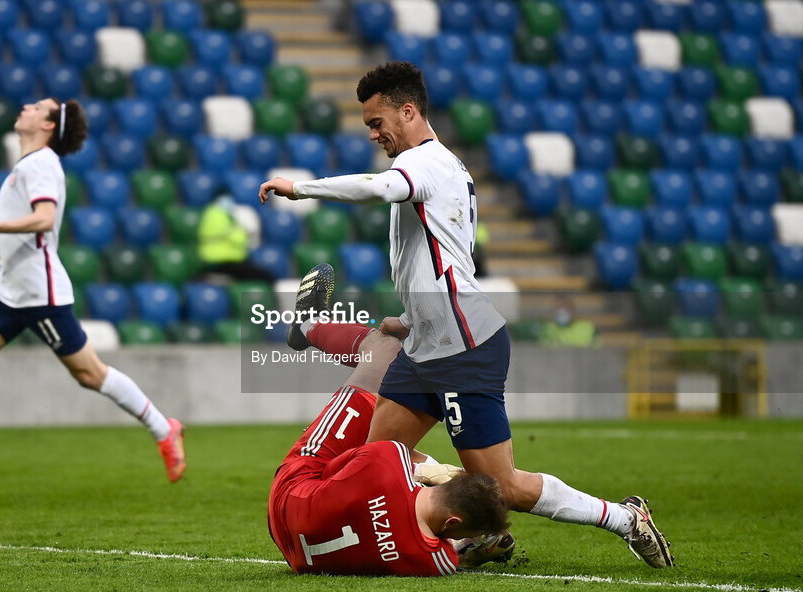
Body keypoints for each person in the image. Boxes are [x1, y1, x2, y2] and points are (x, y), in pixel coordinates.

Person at [260, 63, 673, 569]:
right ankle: (468, 533)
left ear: (408, 110)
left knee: (506, 488)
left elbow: (378, 189)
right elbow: (442, 260)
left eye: (377, 122)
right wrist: (413, 318)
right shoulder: (435, 169)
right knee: (370, 464)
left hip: (463, 348)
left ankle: (624, 518)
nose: (373, 134)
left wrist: (300, 189)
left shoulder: (427, 164)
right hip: (429, 343)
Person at [0, 98, 186, 498]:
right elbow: (38, 228)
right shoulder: (30, 164)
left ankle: (163, 427)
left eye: (37, 107)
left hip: (39, 292)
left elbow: (45, 218)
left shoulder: (41, 163)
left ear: (49, 125)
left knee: (89, 373)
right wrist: (6, 246)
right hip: (11, 286)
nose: (26, 107)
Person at [269, 266, 511, 575]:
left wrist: (431, 471)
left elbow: (338, 467)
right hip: (296, 550)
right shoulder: (435, 561)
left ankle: (308, 326)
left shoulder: (389, 459)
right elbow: (448, 548)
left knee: (385, 348)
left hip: (292, 490)